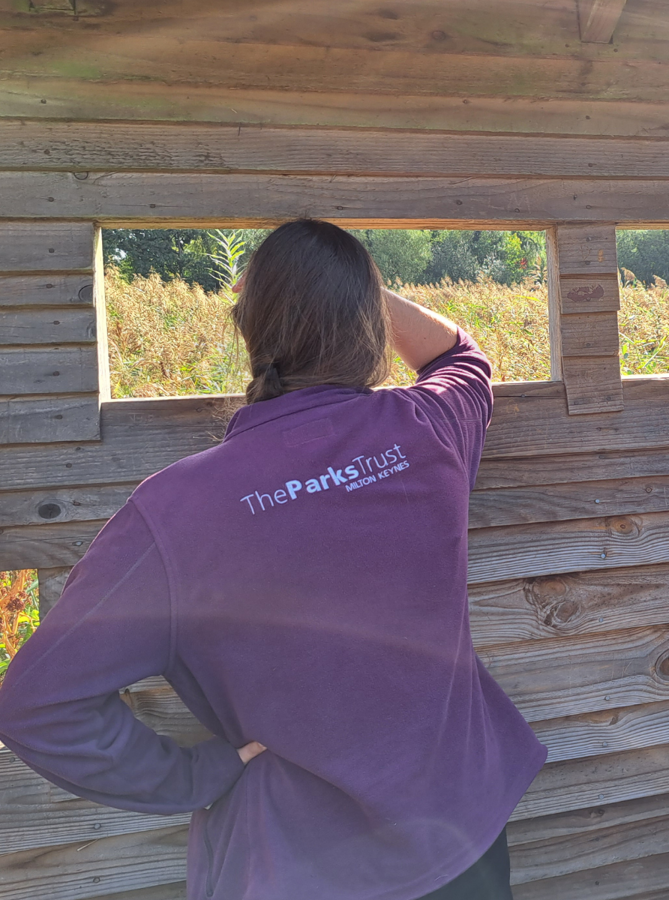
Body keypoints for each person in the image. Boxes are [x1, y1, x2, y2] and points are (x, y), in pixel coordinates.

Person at [0, 219, 547, 900]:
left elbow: (38, 703)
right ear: (365, 324)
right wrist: (354, 284)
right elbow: (461, 357)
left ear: (249, 330)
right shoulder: (426, 431)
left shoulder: (176, 511)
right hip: (463, 834)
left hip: (301, 867)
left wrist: (199, 777)